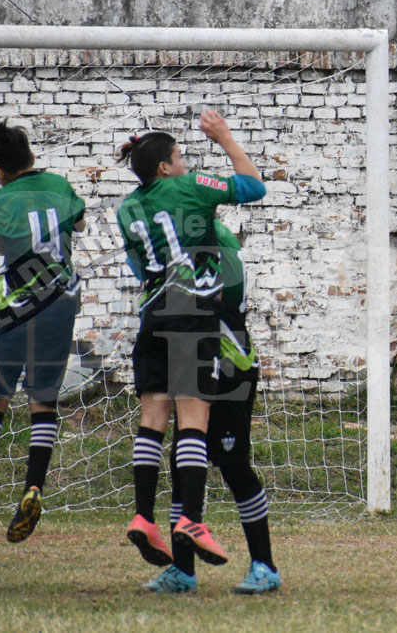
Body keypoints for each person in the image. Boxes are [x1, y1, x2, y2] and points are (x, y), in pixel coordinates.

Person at [116, 109, 265, 570]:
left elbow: (140, 269)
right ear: (165, 166)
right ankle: (193, 520)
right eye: (179, 156)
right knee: (193, 422)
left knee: (152, 422)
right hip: (193, 319)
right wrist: (224, 136)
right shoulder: (192, 187)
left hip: (151, 317)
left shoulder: (127, 208)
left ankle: (144, 516)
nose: (184, 162)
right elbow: (254, 186)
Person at [0, 121, 85, 543]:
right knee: (42, 398)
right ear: (30, 154)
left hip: (15, 303)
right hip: (60, 301)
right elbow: (80, 223)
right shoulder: (60, 185)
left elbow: (0, 244)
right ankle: (34, 487)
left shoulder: (0, 199)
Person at [143, 220, 280, 594]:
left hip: (231, 366)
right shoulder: (178, 247)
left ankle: (264, 566)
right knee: (182, 465)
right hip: (193, 365)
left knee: (233, 465)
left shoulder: (222, 247)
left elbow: (221, 301)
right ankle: (182, 571)